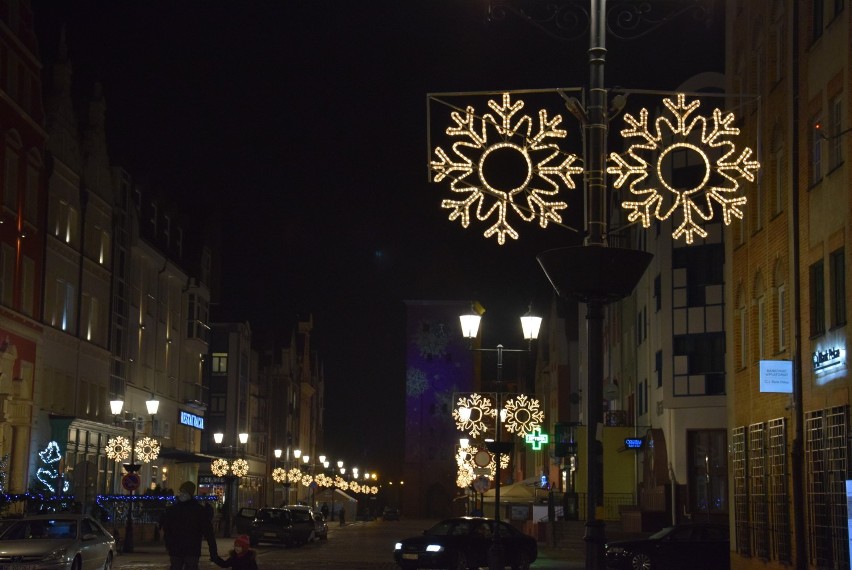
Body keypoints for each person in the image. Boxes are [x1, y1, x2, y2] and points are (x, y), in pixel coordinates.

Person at [160, 481, 219, 570]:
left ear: (190, 493)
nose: (182, 494)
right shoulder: (174, 510)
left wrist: (213, 551)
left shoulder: (198, 510)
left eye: (185, 492)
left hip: (190, 550)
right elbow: (167, 529)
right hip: (180, 549)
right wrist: (169, 544)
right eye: (181, 491)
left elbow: (208, 532)